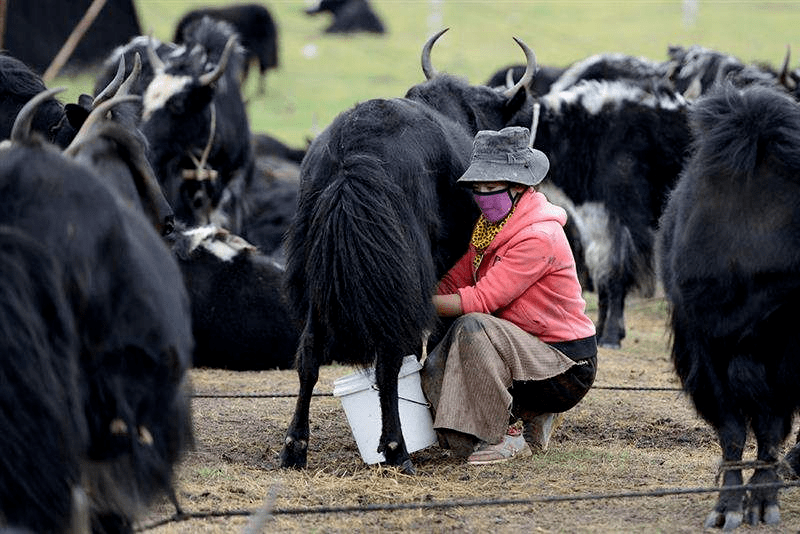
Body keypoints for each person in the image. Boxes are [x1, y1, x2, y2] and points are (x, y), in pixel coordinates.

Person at [421, 126, 597, 465]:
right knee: (450, 335)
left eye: (492, 188)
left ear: (519, 187)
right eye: (478, 189)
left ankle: (501, 436)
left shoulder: (538, 236)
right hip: (523, 349)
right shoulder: (488, 229)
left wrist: (414, 306)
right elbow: (455, 282)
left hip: (564, 365)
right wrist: (424, 292)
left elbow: (480, 300)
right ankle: (530, 413)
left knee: (473, 326)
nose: (484, 196)